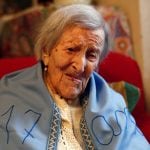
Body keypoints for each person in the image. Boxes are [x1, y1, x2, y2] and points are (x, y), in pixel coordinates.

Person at [0, 4, 149, 150]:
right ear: (46, 52)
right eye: (71, 49)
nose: (80, 66)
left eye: (91, 55)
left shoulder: (113, 104)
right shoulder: (9, 95)